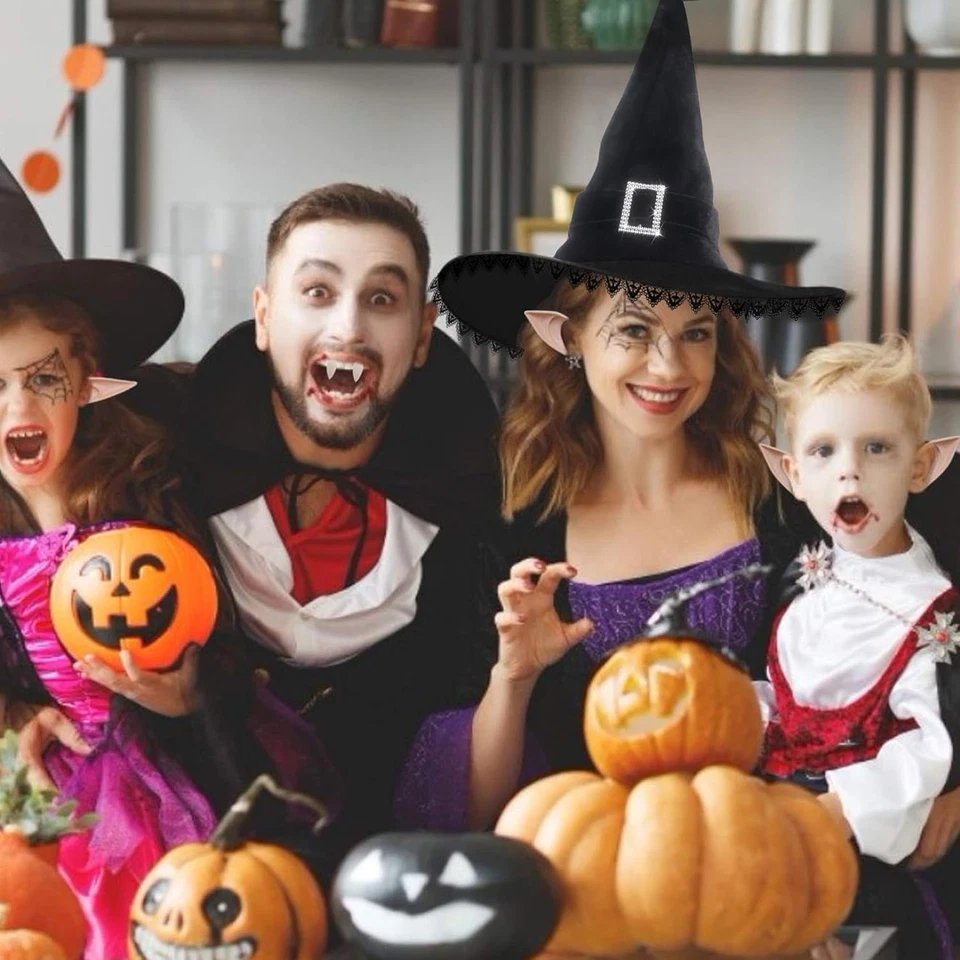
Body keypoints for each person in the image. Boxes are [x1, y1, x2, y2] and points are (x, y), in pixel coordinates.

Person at [393, 0, 844, 835]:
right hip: (586, 876)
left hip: (762, 860)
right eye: (634, 330)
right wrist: (515, 676)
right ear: (563, 334)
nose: (669, 367)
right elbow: (480, 815)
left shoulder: (789, 503)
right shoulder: (503, 532)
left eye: (696, 332)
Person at [0, 157, 336, 959]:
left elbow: (220, 634)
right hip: (50, 786)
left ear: (89, 382)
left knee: (181, 916)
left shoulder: (151, 489)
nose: (18, 406)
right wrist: (13, 719)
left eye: (44, 378)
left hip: (168, 762)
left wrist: (189, 697)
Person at [124, 181, 505, 879]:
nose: (349, 328)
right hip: (194, 880)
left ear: (422, 335)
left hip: (400, 881)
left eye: (381, 299)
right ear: (265, 317)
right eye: (318, 292)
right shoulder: (152, 460)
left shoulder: (488, 506)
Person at [757, 335, 960, 960]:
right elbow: (784, 695)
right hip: (775, 838)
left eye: (877, 448)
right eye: (823, 451)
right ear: (792, 474)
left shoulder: (929, 611)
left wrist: (841, 808)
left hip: (866, 863)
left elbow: (929, 747)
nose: (849, 470)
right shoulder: (804, 580)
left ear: (921, 467)